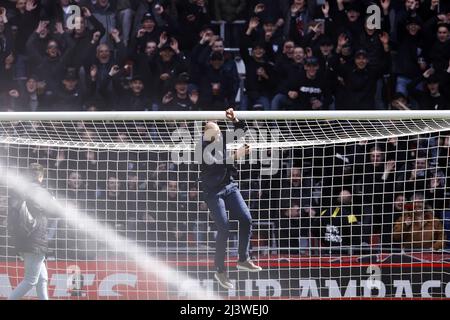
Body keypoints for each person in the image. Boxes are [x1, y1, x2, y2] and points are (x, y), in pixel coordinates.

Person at [198, 107, 261, 290]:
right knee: (224, 228)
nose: (219, 134)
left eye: (219, 129)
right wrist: (238, 154)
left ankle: (243, 259)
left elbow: (241, 131)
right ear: (205, 132)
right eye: (215, 131)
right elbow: (220, 162)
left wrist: (234, 118)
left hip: (229, 186)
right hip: (213, 192)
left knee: (246, 219)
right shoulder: (200, 148)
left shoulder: (218, 137)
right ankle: (220, 270)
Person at [8, 163, 57, 300]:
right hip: (35, 240)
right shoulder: (41, 192)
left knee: (42, 279)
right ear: (41, 177)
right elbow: (55, 212)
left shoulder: (20, 190)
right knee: (30, 281)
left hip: (23, 239)